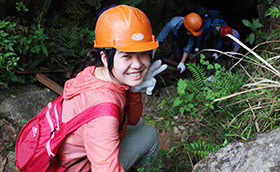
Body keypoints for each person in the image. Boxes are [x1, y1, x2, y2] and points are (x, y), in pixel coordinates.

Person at [57, 5, 167, 171]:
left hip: (72, 155)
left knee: (141, 123)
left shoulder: (92, 73)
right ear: (105, 57)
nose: (137, 65)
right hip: (82, 166)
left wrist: (134, 92)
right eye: (126, 55)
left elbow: (131, 120)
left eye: (143, 53)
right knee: (150, 134)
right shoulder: (104, 107)